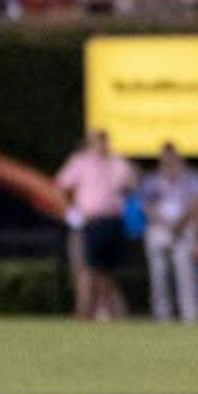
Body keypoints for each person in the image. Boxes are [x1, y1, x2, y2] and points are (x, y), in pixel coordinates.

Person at [56, 129, 134, 321]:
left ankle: (110, 310)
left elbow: (131, 184)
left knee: (107, 271)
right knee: (86, 268)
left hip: (112, 221)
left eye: (104, 141)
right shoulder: (80, 162)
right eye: (97, 142)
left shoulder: (117, 163)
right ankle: (83, 310)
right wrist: (71, 212)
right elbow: (61, 186)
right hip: (89, 222)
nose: (101, 145)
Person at [140, 144, 198, 323]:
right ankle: (162, 314)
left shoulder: (191, 178)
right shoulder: (152, 180)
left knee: (185, 272)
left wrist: (184, 219)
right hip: (159, 228)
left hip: (184, 228)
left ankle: (190, 314)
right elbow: (145, 205)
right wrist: (162, 220)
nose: (170, 162)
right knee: (159, 273)